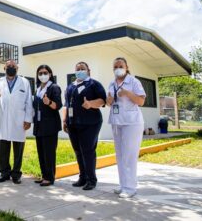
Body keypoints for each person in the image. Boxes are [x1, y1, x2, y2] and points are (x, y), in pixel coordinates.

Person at [106, 57, 146, 198]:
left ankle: (130, 188)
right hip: (117, 122)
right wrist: (109, 100)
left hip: (132, 122)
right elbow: (109, 102)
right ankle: (123, 185)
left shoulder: (134, 81)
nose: (118, 68)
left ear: (126, 67)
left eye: (120, 65)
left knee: (129, 155)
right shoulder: (112, 83)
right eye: (115, 66)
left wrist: (127, 93)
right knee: (120, 155)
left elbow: (141, 100)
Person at [63, 62, 106, 190]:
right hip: (73, 124)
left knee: (88, 151)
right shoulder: (71, 86)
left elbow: (103, 100)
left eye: (83, 69)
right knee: (78, 151)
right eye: (78, 69)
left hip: (90, 123)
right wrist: (65, 120)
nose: (80, 71)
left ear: (88, 71)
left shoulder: (93, 84)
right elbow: (66, 104)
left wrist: (91, 103)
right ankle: (82, 177)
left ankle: (91, 179)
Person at [0, 60, 33, 184]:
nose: (11, 68)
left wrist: (28, 119)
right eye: (8, 66)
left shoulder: (24, 82)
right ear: (4, 68)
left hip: (19, 120)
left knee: (18, 148)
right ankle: (4, 173)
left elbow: (28, 102)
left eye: (13, 66)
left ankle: (16, 174)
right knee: (3, 147)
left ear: (17, 68)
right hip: (4, 119)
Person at [32, 65, 62, 187]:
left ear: (50, 74)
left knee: (49, 152)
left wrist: (49, 102)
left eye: (45, 72)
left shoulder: (54, 87)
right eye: (40, 73)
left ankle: (50, 177)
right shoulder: (38, 88)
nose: (42, 75)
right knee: (41, 152)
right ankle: (44, 175)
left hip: (50, 125)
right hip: (39, 125)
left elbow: (58, 105)